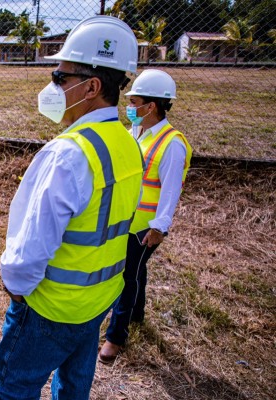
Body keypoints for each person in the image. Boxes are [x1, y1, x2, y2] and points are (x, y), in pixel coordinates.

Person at [0, 16, 144, 400]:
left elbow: (31, 248)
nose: (51, 86)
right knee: (73, 389)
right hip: (97, 300)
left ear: (91, 87)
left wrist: (17, 289)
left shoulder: (69, 154)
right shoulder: (127, 143)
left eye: (60, 78)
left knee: (12, 388)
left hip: (50, 307)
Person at [99, 69, 192, 363]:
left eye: (134, 101)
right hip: (126, 220)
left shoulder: (172, 143)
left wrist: (159, 228)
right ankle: (136, 315)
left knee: (127, 277)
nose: (129, 108)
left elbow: (170, 191)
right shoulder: (135, 133)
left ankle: (116, 336)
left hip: (144, 226)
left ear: (151, 106)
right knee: (137, 270)